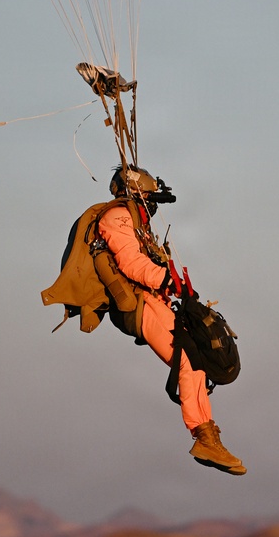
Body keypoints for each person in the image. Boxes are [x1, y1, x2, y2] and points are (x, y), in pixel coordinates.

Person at [43, 165, 246, 475]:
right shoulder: (119, 217)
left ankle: (207, 434)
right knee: (188, 360)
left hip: (150, 300)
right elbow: (130, 261)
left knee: (196, 364)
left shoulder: (136, 221)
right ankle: (203, 436)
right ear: (138, 192)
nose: (152, 203)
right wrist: (165, 279)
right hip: (137, 303)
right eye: (150, 196)